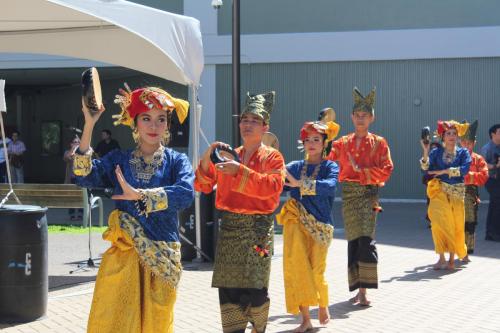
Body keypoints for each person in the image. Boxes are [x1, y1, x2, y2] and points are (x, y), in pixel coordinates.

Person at [73, 85, 194, 333]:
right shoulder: (119, 159)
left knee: (157, 326)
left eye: (161, 119)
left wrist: (139, 195)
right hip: (124, 254)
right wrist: (89, 124)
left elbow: (185, 194)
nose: (153, 126)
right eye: (146, 119)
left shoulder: (176, 161)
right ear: (135, 123)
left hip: (162, 258)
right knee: (116, 324)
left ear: (168, 125)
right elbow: (84, 175)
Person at [194, 91, 285, 333]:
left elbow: (273, 188)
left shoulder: (273, 157)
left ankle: (258, 329)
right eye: (244, 119)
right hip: (230, 230)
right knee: (229, 290)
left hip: (258, 231)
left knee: (256, 290)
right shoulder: (228, 154)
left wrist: (240, 172)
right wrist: (206, 157)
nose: (247, 124)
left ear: (265, 126)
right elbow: (202, 185)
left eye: (254, 120)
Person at [327, 87, 394, 306]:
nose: (360, 119)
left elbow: (387, 169)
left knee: (366, 241)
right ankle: (358, 288)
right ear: (351, 117)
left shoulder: (379, 143)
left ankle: (365, 291)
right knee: (354, 242)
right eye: (357, 115)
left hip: (368, 195)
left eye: (365, 115)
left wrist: (363, 171)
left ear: (372, 117)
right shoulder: (342, 143)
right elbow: (327, 161)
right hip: (348, 197)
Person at [276, 119, 339, 332]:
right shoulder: (295, 166)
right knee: (297, 267)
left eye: (316, 139)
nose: (311, 143)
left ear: (324, 143)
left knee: (316, 270)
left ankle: (322, 302)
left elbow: (329, 187)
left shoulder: (330, 166)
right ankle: (305, 320)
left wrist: (300, 184)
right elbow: (279, 178)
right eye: (307, 140)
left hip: (321, 226)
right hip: (296, 221)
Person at [420, 120, 471, 270]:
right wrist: (425, 150)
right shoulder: (436, 152)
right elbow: (426, 168)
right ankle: (441, 256)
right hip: (439, 191)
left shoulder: (463, 152)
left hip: (456, 192)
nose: (451, 136)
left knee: (455, 225)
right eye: (448, 133)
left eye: (454, 133)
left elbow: (464, 170)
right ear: (442, 136)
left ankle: (451, 259)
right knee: (437, 223)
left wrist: (444, 171)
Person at [459, 120, 488, 261]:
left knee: (470, 222)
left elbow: (483, 177)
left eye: (469, 143)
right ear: (460, 142)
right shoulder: (454, 157)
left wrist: (467, 176)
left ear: (474, 143)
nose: (466, 145)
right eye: (463, 142)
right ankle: (456, 250)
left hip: (470, 195)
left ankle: (467, 250)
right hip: (454, 193)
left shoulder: (478, 159)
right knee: (456, 222)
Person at [480, 124, 500, 241]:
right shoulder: (487, 148)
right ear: (493, 134)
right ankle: (492, 232)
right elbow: (482, 165)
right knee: (496, 202)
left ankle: (492, 233)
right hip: (490, 180)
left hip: (499, 179)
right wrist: (495, 165)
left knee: (495, 204)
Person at [64, 135, 83, 221]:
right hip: (71, 178)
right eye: (75, 142)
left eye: (78, 142)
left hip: (81, 178)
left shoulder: (83, 152)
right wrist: (73, 150)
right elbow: (67, 158)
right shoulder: (67, 152)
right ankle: (72, 215)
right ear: (71, 144)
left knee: (81, 196)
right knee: (71, 196)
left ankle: (80, 214)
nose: (77, 144)